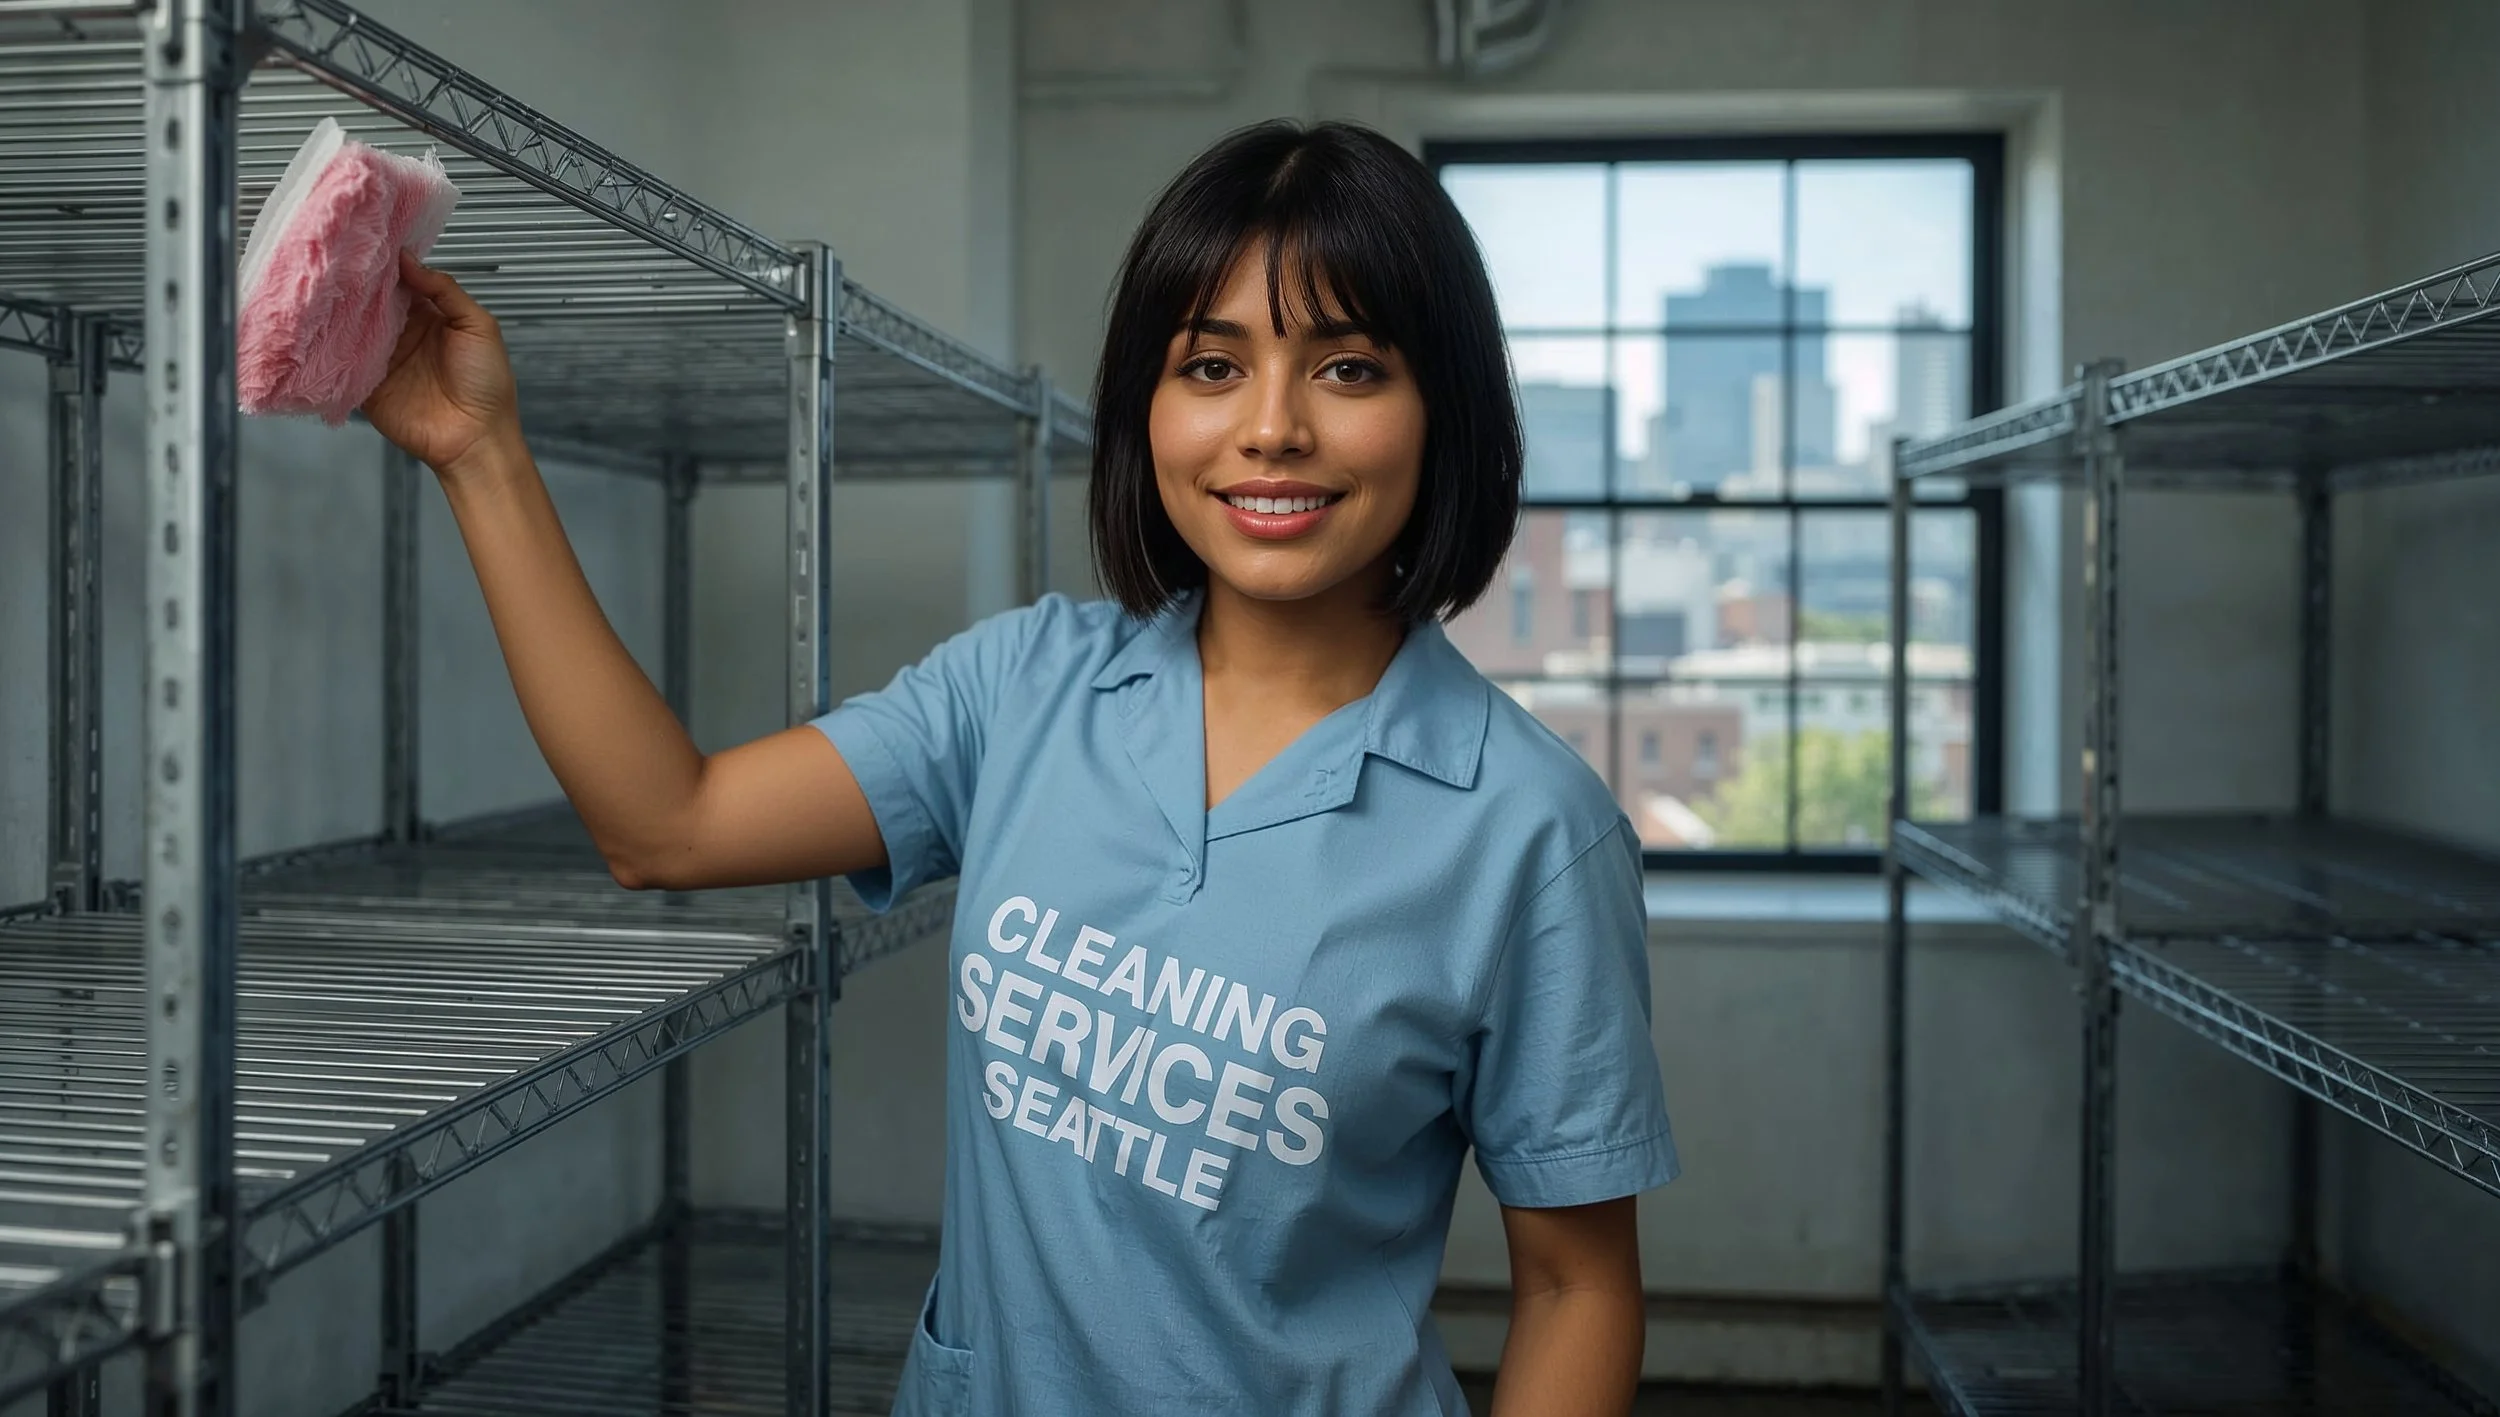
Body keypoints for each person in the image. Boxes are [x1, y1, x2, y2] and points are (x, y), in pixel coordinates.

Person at [365, 118, 1677, 1417]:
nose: (1271, 430)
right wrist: (483, 456)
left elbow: (1576, 1289)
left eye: (1347, 368)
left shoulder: (1529, 835)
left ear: (1442, 407)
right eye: (1212, 367)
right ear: (1146, 406)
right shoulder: (1021, 691)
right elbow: (670, 823)